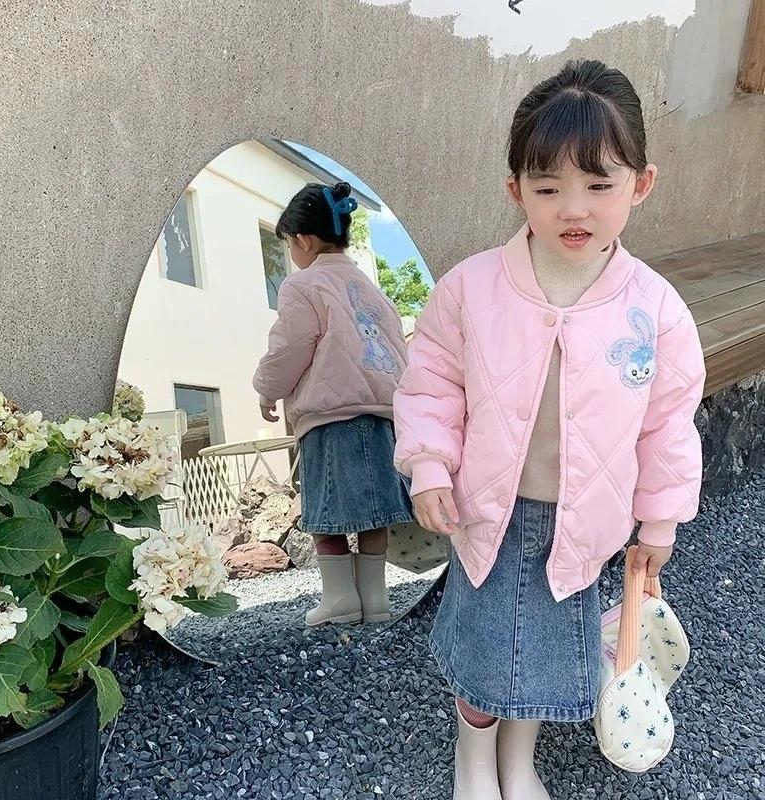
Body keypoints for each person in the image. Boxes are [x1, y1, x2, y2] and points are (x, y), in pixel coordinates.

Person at [393, 60, 706, 800]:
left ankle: (518, 760)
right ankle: (474, 758)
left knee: (542, 657)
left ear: (641, 183)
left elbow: (668, 424)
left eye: (599, 184)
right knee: (485, 651)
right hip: (489, 514)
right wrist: (430, 465)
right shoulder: (471, 288)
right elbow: (432, 382)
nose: (574, 207)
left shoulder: (655, 309)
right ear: (515, 190)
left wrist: (660, 518)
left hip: (583, 523)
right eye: (547, 187)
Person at [253, 181, 414, 628]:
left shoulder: (302, 285)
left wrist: (267, 388)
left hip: (331, 418)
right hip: (382, 418)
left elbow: (289, 347)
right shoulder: (370, 288)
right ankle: (375, 599)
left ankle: (340, 598)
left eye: (289, 244)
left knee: (326, 513)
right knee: (373, 512)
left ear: (304, 240)